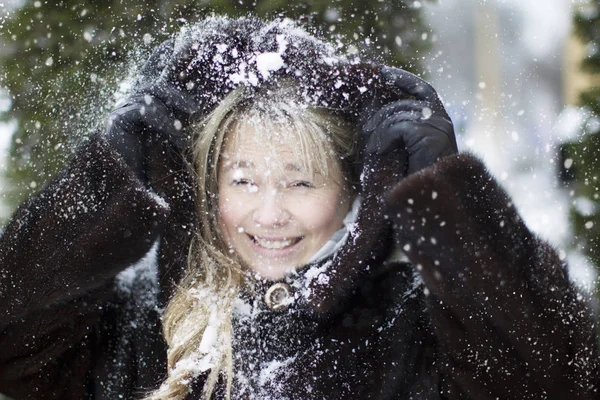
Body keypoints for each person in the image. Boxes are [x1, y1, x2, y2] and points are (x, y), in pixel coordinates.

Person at [0, 15, 598, 400]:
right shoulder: (137, 332)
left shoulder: (412, 333)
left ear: (350, 193)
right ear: (207, 189)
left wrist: (447, 196)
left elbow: (560, 374)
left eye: (301, 182)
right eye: (242, 180)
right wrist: (102, 190)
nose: (268, 215)